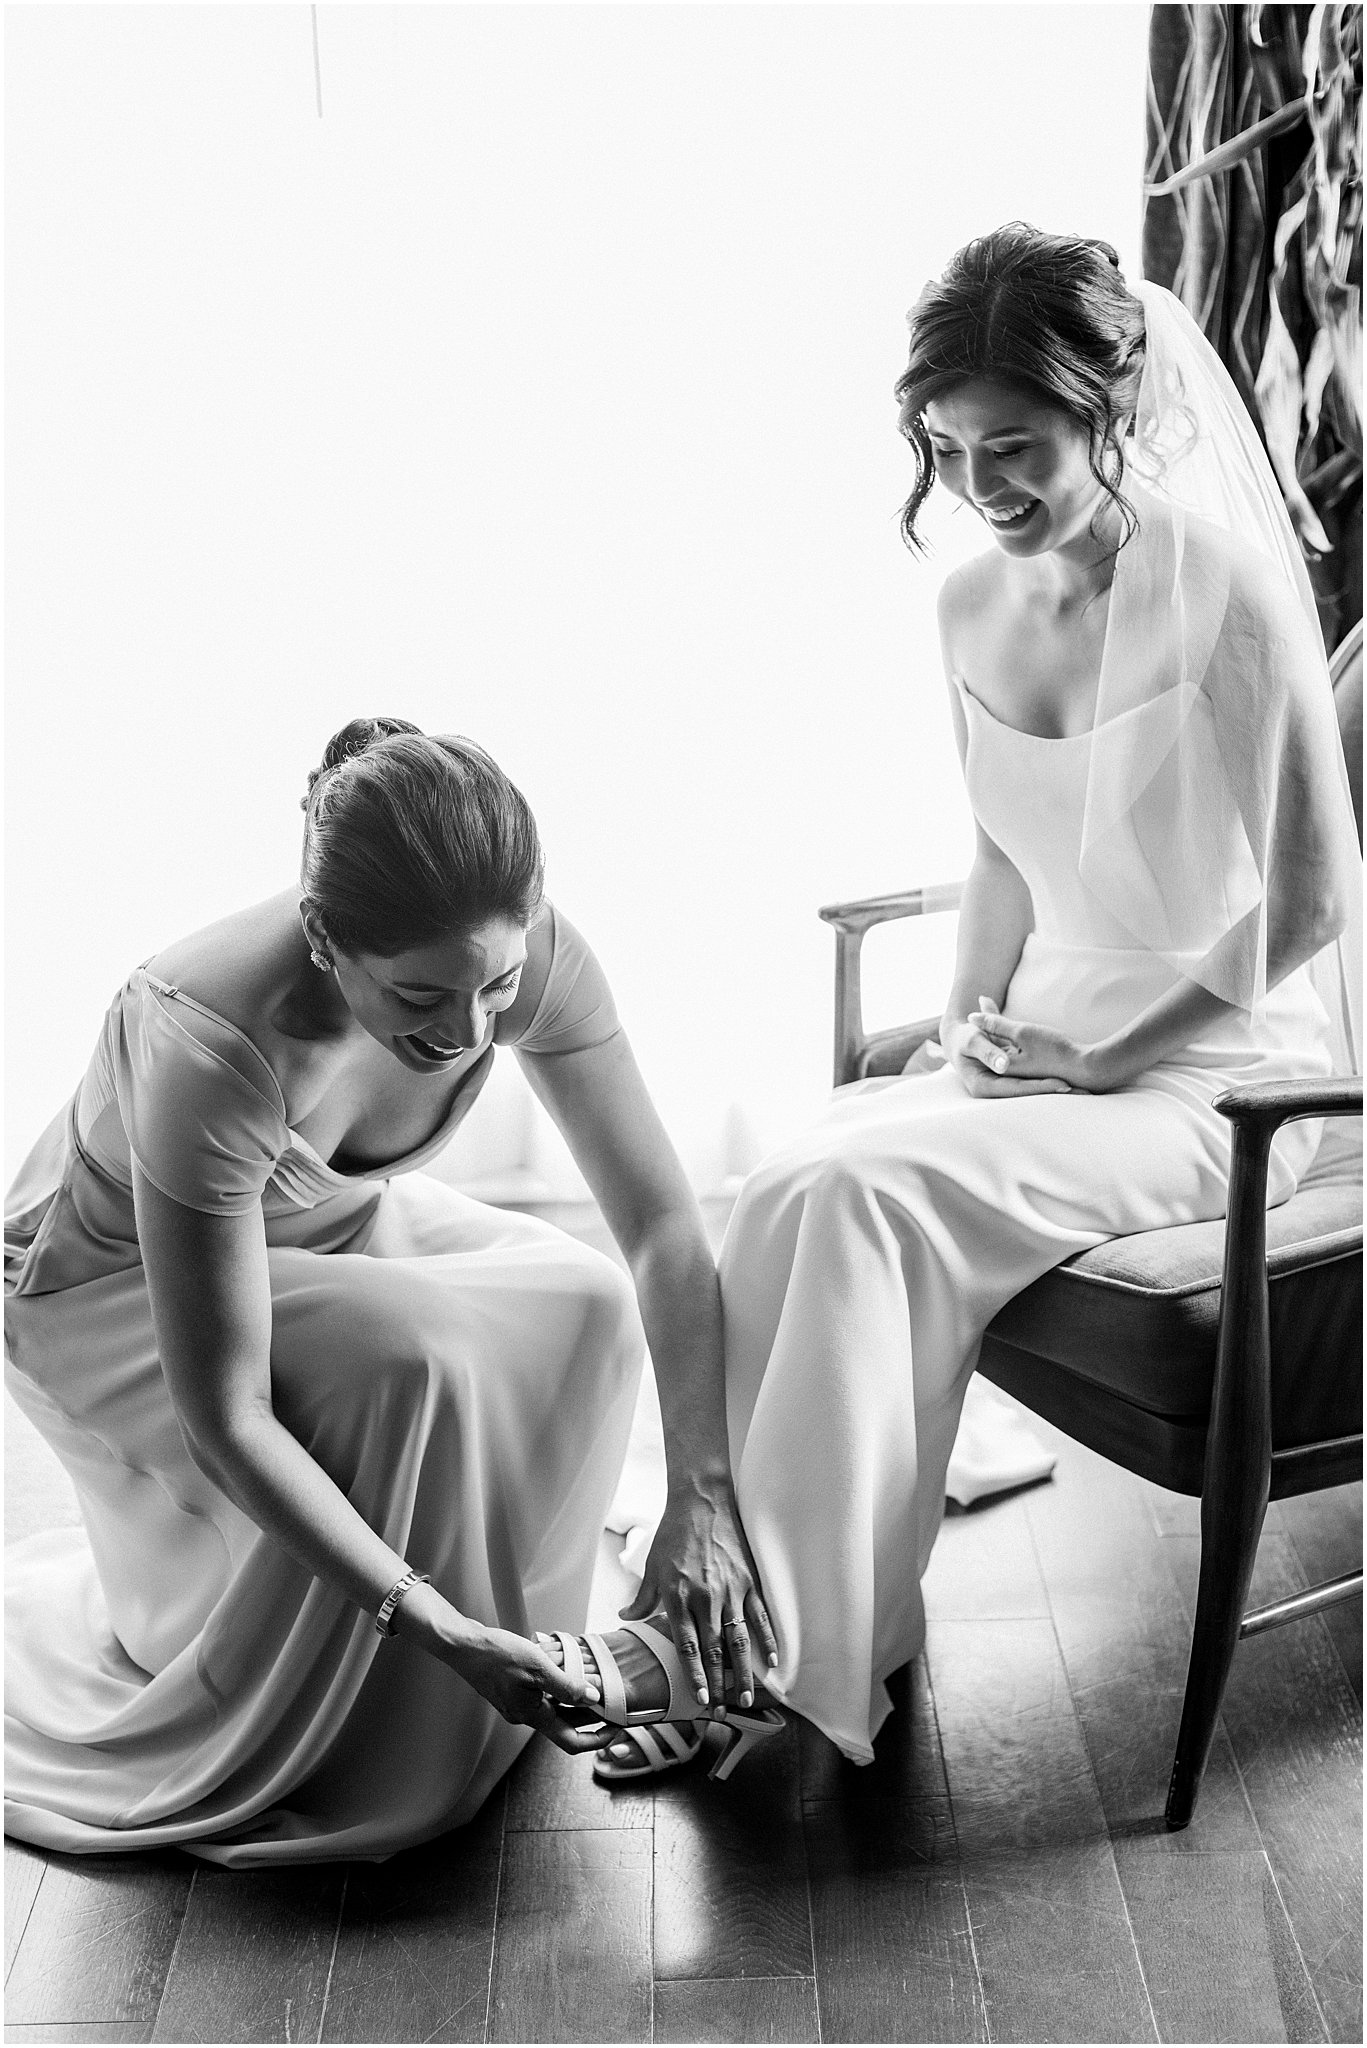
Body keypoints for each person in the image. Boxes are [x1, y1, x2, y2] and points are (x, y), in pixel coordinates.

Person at [559, 222, 1361, 1775]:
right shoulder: (966, 607)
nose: (980, 483)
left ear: (1105, 420)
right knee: (791, 1173)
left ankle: (768, 1669)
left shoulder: (1222, 597)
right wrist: (964, 1019)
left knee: (859, 1201)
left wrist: (1100, 1050)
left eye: (1016, 446)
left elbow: (1318, 900)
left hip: (1212, 1079)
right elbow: (999, 836)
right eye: (945, 446)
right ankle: (755, 1626)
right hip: (1048, 1042)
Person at [4, 719, 775, 1862]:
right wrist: (436, 1623)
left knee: (584, 1300)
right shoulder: (208, 1037)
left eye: (497, 987)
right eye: (420, 997)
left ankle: (549, 1648)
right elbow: (226, 1414)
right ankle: (424, 1677)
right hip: (108, 1291)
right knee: (407, 1357)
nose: (469, 1033)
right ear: (324, 936)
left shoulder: (524, 960)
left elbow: (662, 1226)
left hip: (324, 1229)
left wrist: (699, 1501)